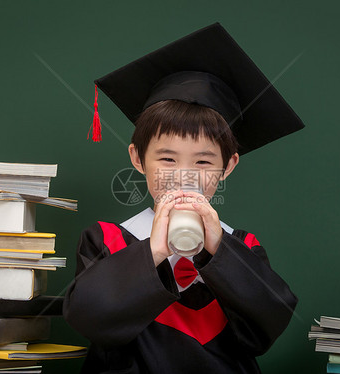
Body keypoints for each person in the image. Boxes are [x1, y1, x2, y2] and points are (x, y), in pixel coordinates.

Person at [63, 23, 304, 374]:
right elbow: (90, 320)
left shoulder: (243, 246)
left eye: (203, 161)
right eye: (167, 158)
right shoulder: (106, 240)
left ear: (228, 166)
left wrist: (219, 251)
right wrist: (153, 251)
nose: (183, 176)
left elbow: (265, 328)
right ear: (137, 158)